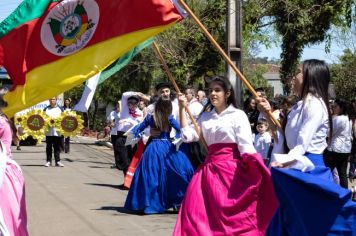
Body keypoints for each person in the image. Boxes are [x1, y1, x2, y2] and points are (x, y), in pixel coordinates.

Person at [257, 59, 356, 235]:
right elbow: (285, 139)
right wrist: (266, 112)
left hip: (309, 169)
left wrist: (284, 161)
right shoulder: (299, 105)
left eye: (297, 72)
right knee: (291, 221)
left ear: (310, 76)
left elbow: (302, 144)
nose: (294, 77)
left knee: (311, 225)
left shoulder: (315, 104)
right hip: (295, 165)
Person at [173, 76, 278, 235]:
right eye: (210, 91)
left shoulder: (238, 115)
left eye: (217, 90)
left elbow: (246, 147)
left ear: (228, 93)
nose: (213, 94)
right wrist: (182, 108)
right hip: (208, 172)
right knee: (194, 212)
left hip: (232, 171)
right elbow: (188, 136)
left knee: (232, 219)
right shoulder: (205, 117)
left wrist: (256, 167)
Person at [124, 97, 194, 214]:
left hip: (153, 148)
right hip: (167, 148)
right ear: (168, 108)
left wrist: (137, 137)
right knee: (175, 173)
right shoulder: (170, 118)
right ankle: (177, 201)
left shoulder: (150, 117)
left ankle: (148, 204)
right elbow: (181, 131)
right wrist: (177, 139)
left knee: (150, 176)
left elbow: (137, 130)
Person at [0, 90, 29, 236]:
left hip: (3, 173)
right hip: (10, 172)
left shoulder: (1, 122)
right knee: (11, 213)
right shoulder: (6, 120)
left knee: (4, 215)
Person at [324, 99, 353, 189]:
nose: (333, 107)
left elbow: (328, 133)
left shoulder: (338, 119)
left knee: (327, 171)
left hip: (335, 149)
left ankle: (327, 191)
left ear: (341, 108)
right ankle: (345, 195)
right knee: (342, 173)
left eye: (335, 106)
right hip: (346, 149)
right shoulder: (348, 118)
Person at [116, 92, 143, 178]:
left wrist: (128, 121)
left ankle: (128, 181)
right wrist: (135, 93)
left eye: (134, 103)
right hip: (121, 136)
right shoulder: (125, 109)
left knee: (130, 160)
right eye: (130, 102)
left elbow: (138, 125)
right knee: (123, 159)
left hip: (132, 138)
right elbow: (124, 95)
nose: (132, 105)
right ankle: (127, 180)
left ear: (138, 103)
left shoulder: (140, 113)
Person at [44, 97, 64, 167]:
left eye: (53, 99)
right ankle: (48, 161)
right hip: (48, 131)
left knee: (57, 147)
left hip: (57, 131)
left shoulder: (60, 109)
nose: (52, 101)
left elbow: (64, 119)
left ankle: (57, 161)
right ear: (49, 100)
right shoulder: (46, 109)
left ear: (56, 100)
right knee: (48, 147)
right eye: (51, 99)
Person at [107, 101, 121, 169]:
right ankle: (116, 163)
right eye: (117, 105)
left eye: (119, 105)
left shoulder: (123, 113)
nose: (118, 106)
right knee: (115, 148)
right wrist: (110, 124)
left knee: (120, 148)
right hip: (113, 133)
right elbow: (109, 121)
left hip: (121, 133)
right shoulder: (112, 113)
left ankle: (121, 163)